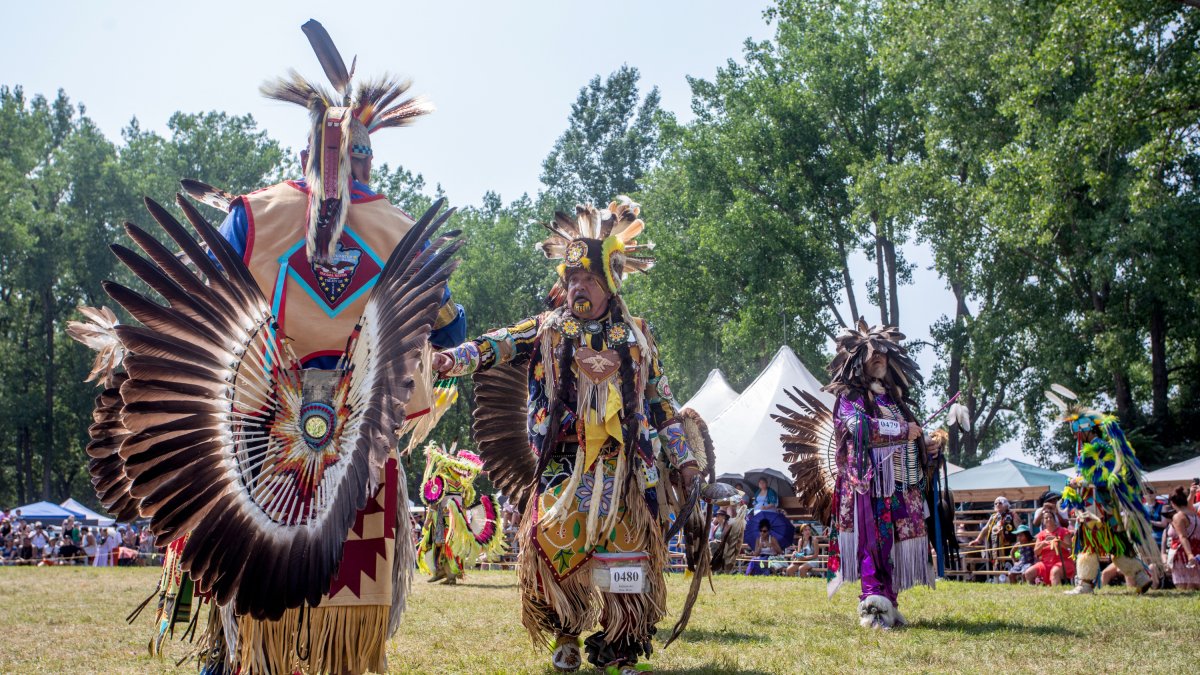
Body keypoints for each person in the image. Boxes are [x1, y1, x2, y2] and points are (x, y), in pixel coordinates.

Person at [65, 20, 463, 674]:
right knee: (343, 615)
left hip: (264, 435)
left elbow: (195, 297)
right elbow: (449, 327)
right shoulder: (401, 232)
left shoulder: (256, 214)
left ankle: (232, 650)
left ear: (309, 153)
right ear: (368, 156)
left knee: (252, 600)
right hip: (357, 442)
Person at [434, 197, 713, 674]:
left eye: (587, 280)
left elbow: (662, 405)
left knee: (626, 549)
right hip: (565, 463)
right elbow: (494, 345)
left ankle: (622, 644)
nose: (577, 288)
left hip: (626, 468)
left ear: (608, 284)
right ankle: (566, 631)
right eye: (571, 280)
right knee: (550, 542)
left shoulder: (637, 338)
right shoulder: (548, 329)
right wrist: (452, 359)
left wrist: (686, 464)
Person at [801, 321, 940, 629]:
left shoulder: (894, 400)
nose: (880, 358)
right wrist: (904, 431)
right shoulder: (850, 398)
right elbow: (858, 428)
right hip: (868, 487)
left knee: (894, 546)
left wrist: (927, 445)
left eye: (884, 354)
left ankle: (889, 604)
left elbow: (910, 438)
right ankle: (873, 607)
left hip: (902, 487)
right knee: (873, 545)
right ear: (857, 360)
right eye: (873, 353)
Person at [1045, 388, 1158, 595]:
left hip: (1096, 507)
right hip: (1103, 508)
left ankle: (1086, 585)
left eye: (1077, 431)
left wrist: (1078, 483)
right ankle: (1141, 577)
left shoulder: (1099, 449)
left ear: (1086, 429)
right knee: (1116, 544)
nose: (1075, 436)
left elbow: (1102, 477)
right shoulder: (1097, 448)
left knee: (1089, 544)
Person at [416, 443, 505, 584]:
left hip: (447, 521)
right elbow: (445, 501)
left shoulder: (449, 481)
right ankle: (445, 573)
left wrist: (428, 520)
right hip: (448, 520)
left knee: (445, 546)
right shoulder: (454, 482)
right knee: (444, 546)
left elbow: (438, 502)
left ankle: (447, 573)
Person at [969, 497, 1020, 578]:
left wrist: (1018, 543)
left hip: (1009, 546)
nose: (997, 505)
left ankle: (1011, 582)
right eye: (995, 503)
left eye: (1000, 503)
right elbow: (985, 528)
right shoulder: (993, 517)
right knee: (996, 567)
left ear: (1006, 504)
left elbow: (1019, 529)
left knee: (1009, 566)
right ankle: (998, 582)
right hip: (995, 547)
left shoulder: (1013, 515)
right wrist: (978, 540)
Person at [1026, 509, 1074, 586]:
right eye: (1046, 518)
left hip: (1063, 561)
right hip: (1045, 563)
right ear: (1043, 521)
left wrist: (1057, 540)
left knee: (1054, 572)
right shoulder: (1041, 534)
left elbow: (1069, 547)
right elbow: (1036, 552)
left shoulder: (1063, 531)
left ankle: (1057, 594)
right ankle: (1035, 593)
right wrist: (1042, 545)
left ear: (1054, 519)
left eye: (1050, 517)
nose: (1048, 519)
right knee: (1028, 573)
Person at [1166, 486, 1200, 590]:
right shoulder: (1194, 514)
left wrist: (1189, 555)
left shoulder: (1178, 517)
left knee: (1184, 589)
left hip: (1183, 556)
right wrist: (1193, 494)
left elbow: (1183, 537)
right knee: (1194, 587)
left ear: (1172, 503)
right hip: (1196, 552)